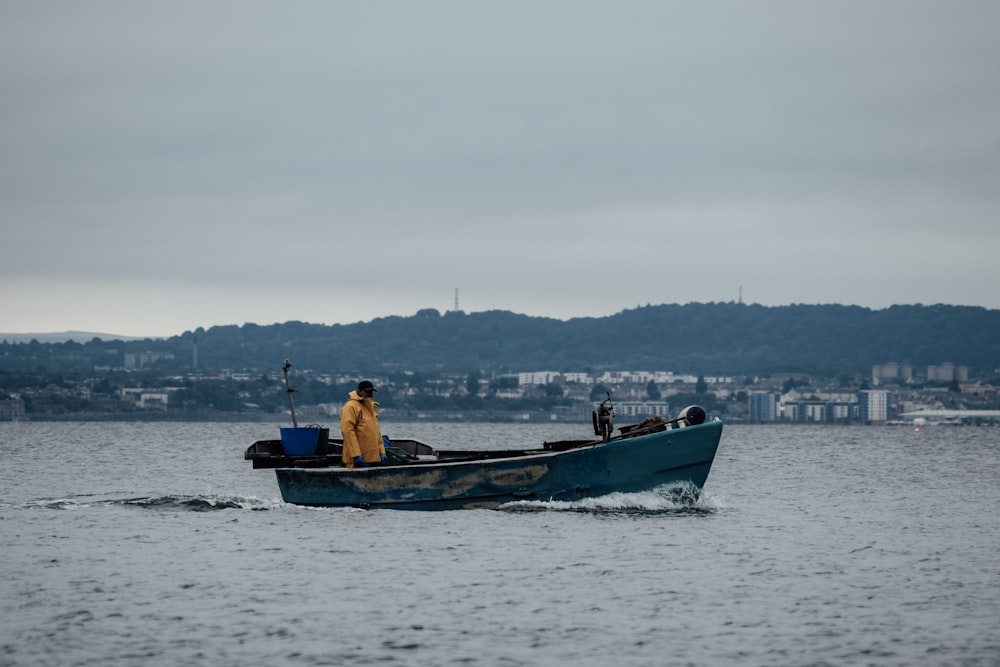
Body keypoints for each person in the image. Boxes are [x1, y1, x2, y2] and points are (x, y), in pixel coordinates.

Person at [339, 380, 386, 468]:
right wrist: (356, 455)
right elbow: (348, 432)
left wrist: (382, 452)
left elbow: (377, 433)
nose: (370, 394)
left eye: (371, 391)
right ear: (359, 391)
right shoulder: (350, 407)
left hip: (373, 458)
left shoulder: (371, 407)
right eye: (367, 391)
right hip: (358, 460)